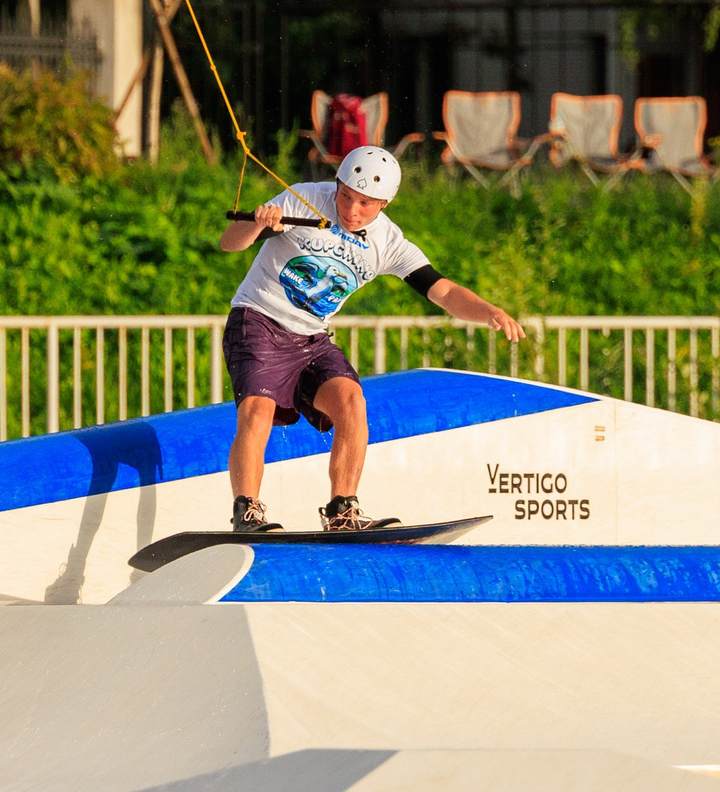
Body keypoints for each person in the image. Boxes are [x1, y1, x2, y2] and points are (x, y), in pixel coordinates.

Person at [215, 145, 525, 533]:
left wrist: (488, 310)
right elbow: (230, 242)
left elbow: (443, 291)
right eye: (345, 195)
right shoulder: (304, 199)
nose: (351, 209)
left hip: (311, 338)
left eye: (365, 203)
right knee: (258, 409)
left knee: (351, 401)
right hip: (259, 320)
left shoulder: (388, 242)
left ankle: (342, 510)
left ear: (384, 204)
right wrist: (258, 224)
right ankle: (247, 511)